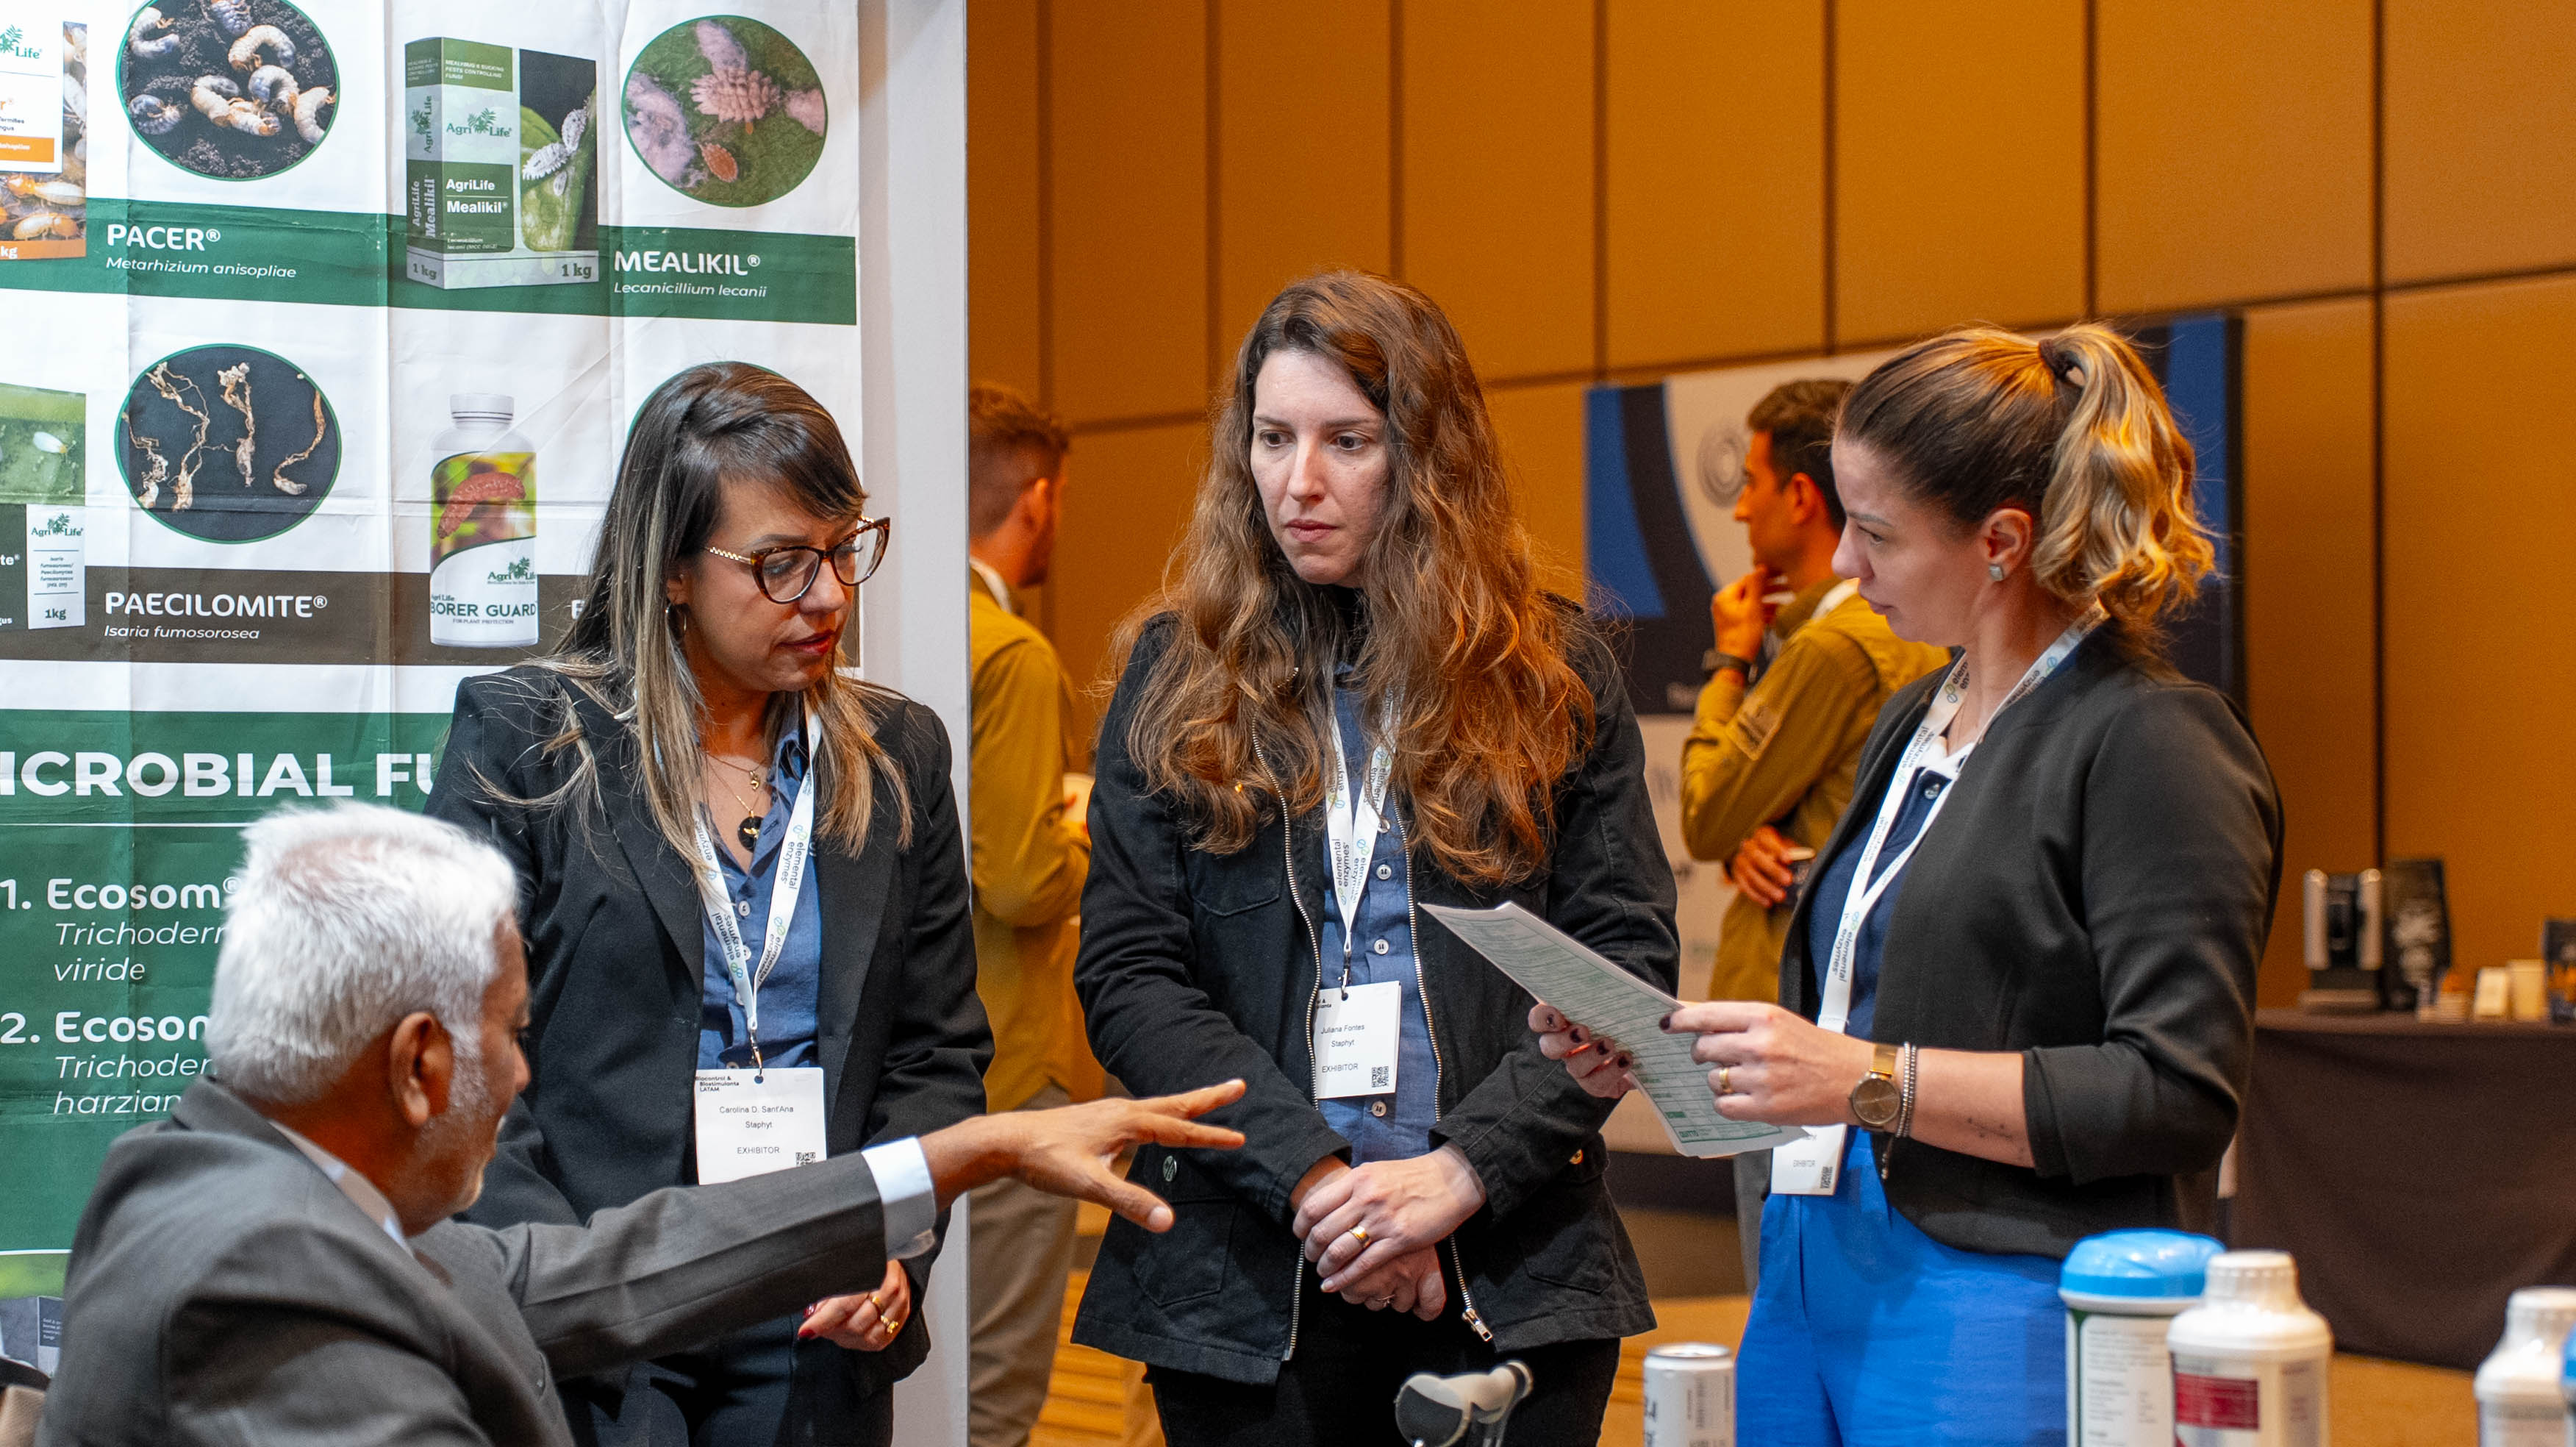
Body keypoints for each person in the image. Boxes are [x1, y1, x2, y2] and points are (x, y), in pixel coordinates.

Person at [1540, 324, 2282, 1443]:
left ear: (2001, 542)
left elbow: (2174, 1093)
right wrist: (1665, 1050)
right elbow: (1866, 1009)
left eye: (1877, 533)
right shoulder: (1911, 719)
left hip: (2000, 1288)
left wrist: (1865, 1079)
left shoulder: (2151, 739)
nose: (1845, 564)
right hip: (1812, 1253)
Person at [34, 804, 1248, 1447]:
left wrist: (959, 1153)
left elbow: (603, 1268)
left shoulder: (222, 1177)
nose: (523, 1074)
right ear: (418, 1063)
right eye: (513, 1031)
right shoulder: (263, 1281)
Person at [1073, 271, 1675, 1445]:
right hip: (1251, 1269)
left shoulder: (1553, 671)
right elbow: (1131, 976)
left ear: (1428, 457)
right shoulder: (1177, 673)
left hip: (1512, 1260)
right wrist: (1319, 1184)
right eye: (1273, 438)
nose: (1299, 482)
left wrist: (1459, 1177)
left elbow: (1623, 968)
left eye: (1348, 441)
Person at [426, 362, 989, 1446]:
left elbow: (936, 1051)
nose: (828, 596)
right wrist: (567, 1291)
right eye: (781, 564)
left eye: (844, 549)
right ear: (673, 571)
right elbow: (457, 1048)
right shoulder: (528, 742)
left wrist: (890, 1238)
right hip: (596, 1325)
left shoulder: (895, 754)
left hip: (815, 1314)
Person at [1678, 379, 1946, 1290]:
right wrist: (1753, 832)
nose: (1739, 508)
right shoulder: (1893, 638)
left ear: (1801, 496)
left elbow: (1707, 811)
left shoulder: (1835, 645)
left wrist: (1728, 660)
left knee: (1789, 1298)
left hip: (1794, 1023)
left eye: (1751, 483)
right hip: (1861, 1029)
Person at [962, 382, 1094, 1447]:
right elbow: (1018, 880)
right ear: (1038, 498)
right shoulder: (1011, 655)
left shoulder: (883, 629)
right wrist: (1088, 832)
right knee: (995, 1396)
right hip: (1010, 1059)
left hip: (915, 1075)